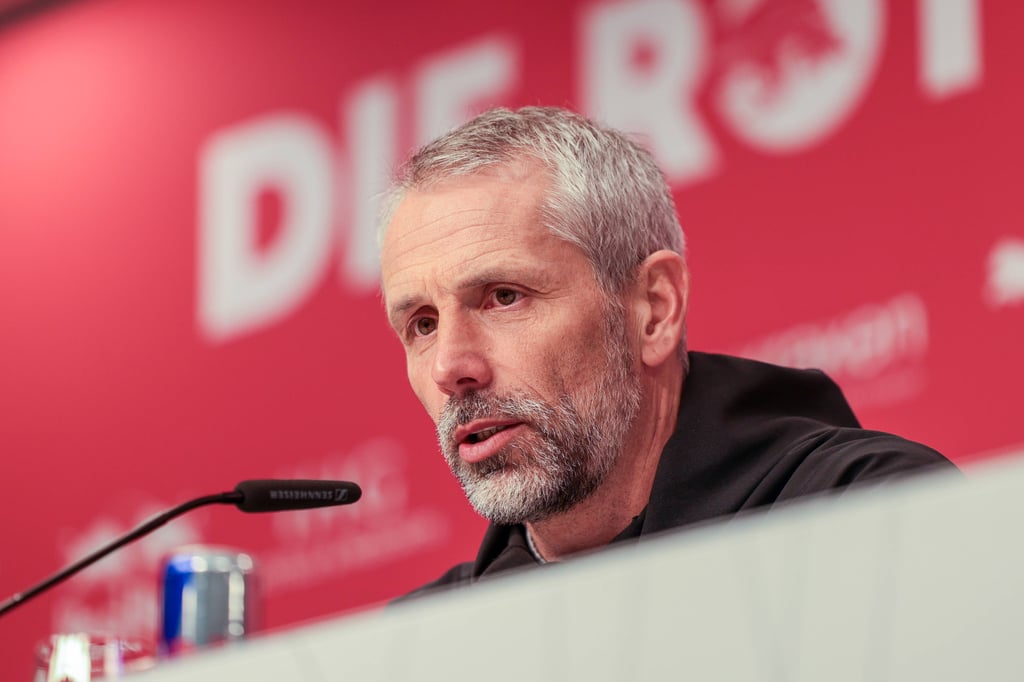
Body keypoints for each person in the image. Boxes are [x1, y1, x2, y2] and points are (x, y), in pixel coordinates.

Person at [378, 106, 953, 595]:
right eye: (423, 325)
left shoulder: (873, 512)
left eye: (505, 297)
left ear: (653, 309)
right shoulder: (418, 644)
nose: (450, 366)